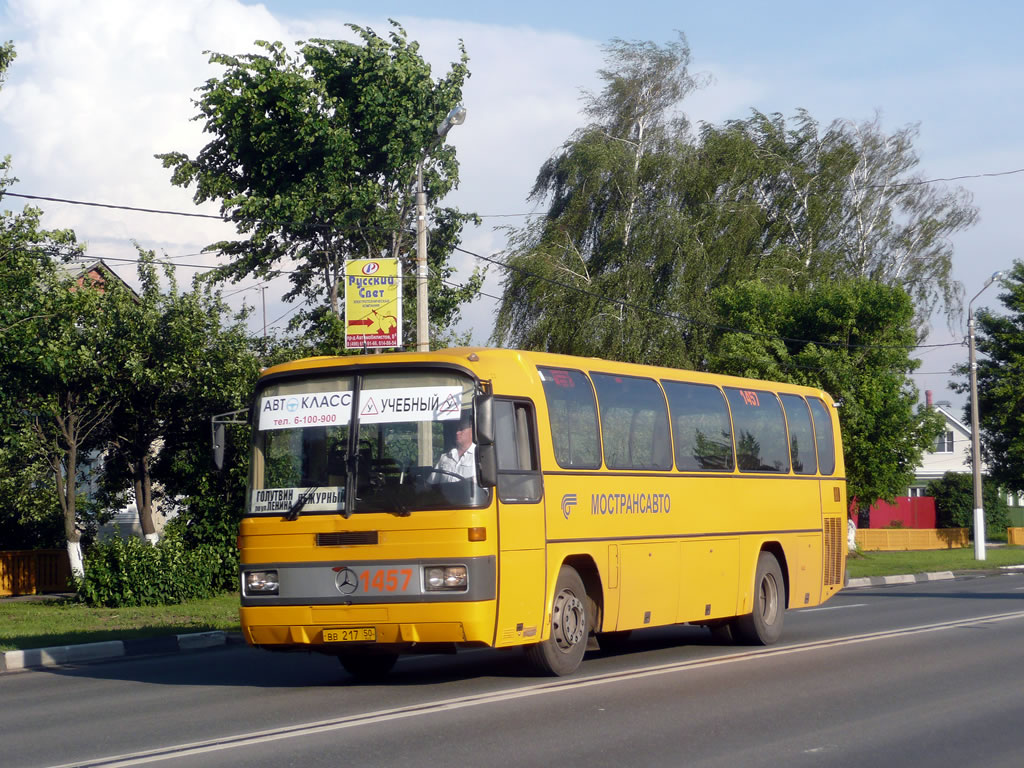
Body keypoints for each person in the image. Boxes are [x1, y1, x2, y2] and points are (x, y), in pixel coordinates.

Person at [433, 412, 476, 483]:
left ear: (472, 431)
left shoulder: (480, 457)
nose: (457, 433)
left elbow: (485, 489)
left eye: (461, 429)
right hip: (443, 494)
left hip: (470, 494)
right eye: (456, 429)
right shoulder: (445, 457)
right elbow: (431, 484)